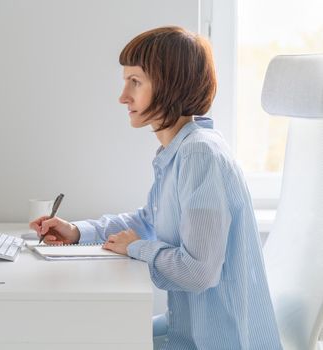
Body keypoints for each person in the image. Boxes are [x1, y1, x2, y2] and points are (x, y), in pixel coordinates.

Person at [30, 26, 282, 349]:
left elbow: (198, 272)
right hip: (189, 331)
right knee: (92, 334)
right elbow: (148, 221)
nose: (123, 96)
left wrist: (136, 247)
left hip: (218, 342)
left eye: (135, 82)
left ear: (168, 86)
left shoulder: (198, 154)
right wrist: (77, 232)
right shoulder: (178, 151)